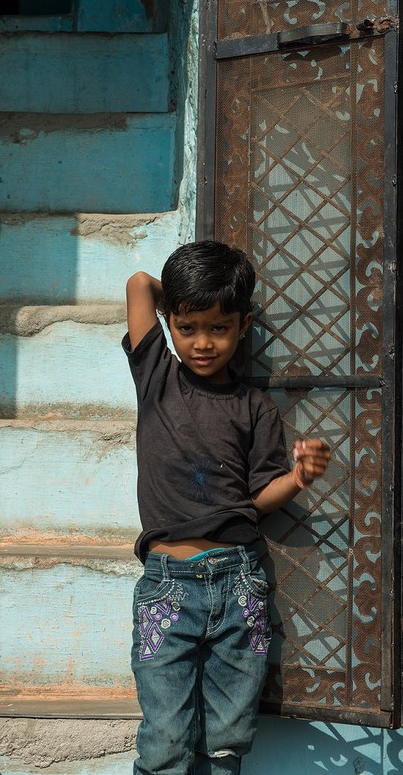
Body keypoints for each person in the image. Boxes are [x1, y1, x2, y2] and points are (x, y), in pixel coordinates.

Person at [123, 241, 330, 775]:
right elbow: (139, 282)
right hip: (168, 585)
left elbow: (259, 499)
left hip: (240, 584)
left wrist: (298, 477)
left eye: (220, 327)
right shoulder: (156, 376)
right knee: (165, 742)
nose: (203, 343)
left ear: (245, 324)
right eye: (188, 328)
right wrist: (187, 296)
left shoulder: (254, 408)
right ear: (170, 323)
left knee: (226, 742)